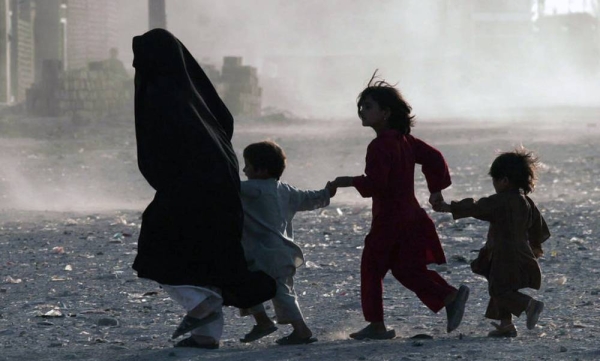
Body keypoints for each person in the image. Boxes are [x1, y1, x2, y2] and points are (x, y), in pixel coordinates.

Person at [131, 29, 275, 349]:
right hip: (221, 189)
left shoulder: (163, 95)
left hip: (191, 189)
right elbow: (225, 124)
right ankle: (205, 336)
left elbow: (162, 148)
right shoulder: (196, 99)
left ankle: (200, 306)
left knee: (156, 247)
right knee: (208, 256)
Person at [328, 72, 469, 340]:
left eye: (368, 107)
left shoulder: (380, 146)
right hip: (412, 216)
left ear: (386, 112)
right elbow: (435, 158)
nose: (362, 112)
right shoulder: (406, 141)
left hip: (390, 219)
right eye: (361, 107)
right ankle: (449, 296)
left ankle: (377, 325)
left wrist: (346, 181)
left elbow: (376, 185)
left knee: (371, 269)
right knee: (406, 270)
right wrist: (435, 191)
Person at [433, 148, 550, 337]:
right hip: (521, 252)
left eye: (495, 180)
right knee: (505, 287)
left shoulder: (503, 200)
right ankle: (506, 325)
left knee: (499, 290)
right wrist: (535, 248)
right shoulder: (527, 202)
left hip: (504, 254)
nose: (494, 185)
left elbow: (478, 207)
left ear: (504, 180)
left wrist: (449, 207)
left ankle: (529, 305)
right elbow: (538, 228)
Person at [238, 140, 335, 345]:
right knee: (282, 291)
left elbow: (223, 190)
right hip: (283, 253)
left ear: (262, 169)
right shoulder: (286, 190)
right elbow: (310, 198)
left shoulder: (251, 189)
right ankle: (269, 323)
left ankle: (299, 330)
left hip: (262, 254)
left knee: (252, 286)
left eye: (247, 165)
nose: (244, 169)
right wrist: (328, 192)